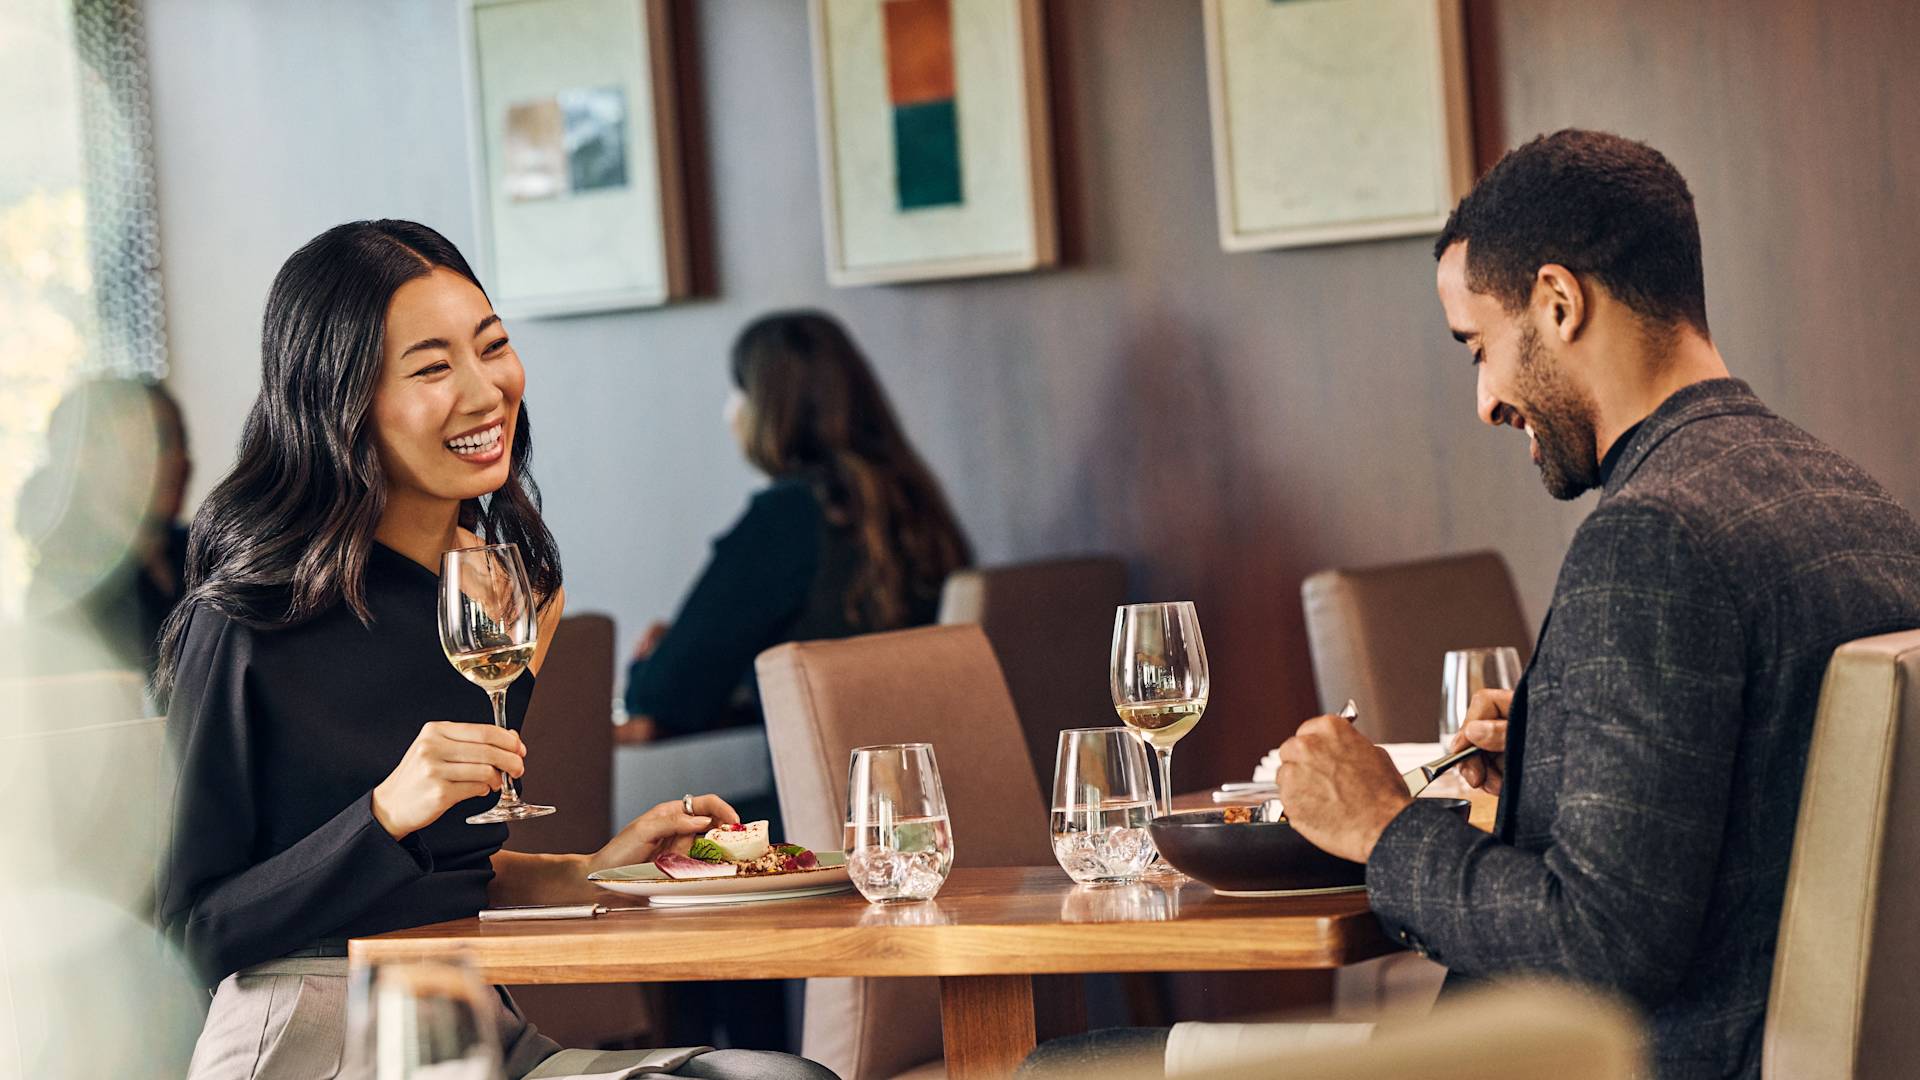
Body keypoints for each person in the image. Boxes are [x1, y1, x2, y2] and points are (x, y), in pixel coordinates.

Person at [1024, 130, 1920, 1080]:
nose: (1486, 401)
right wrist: (1544, 763)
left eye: (1479, 346)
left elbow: (1602, 948)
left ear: (1559, 302)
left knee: (1060, 1071)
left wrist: (1378, 823)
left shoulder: (1652, 536)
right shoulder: (1862, 507)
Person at [154, 220, 836, 1080]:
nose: (486, 392)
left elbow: (446, 874)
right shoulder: (249, 618)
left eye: (493, 347)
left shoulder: (510, 597)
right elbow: (190, 933)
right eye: (433, 368)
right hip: (309, 1036)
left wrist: (595, 872)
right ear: (340, 401)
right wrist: (383, 813)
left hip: (474, 1025)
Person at [621, 310, 972, 740]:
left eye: (739, 391)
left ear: (770, 409)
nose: (730, 411)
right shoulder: (914, 503)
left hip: (826, 779)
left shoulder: (787, 518)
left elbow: (662, 697)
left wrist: (652, 658)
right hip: (927, 771)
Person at [16, 377, 192, 679]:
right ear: (88, 458)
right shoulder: (65, 593)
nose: (180, 461)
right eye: (159, 442)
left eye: (182, 442)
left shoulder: (207, 556)